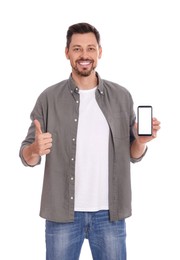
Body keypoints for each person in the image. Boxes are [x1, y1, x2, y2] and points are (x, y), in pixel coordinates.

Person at [19, 22, 160, 260]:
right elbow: (26, 156)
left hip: (109, 216)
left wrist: (142, 141)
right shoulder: (48, 97)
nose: (84, 55)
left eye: (90, 48)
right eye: (77, 49)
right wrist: (34, 149)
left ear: (99, 52)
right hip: (62, 216)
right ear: (67, 53)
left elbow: (132, 154)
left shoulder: (121, 97)